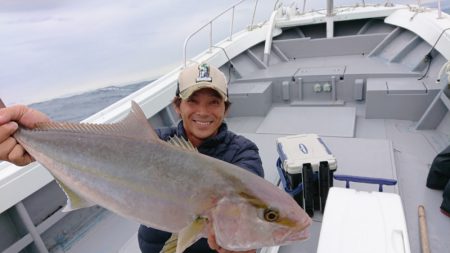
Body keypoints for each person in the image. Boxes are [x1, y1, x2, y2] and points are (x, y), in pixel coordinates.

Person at [0, 63, 264, 253]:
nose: (203, 112)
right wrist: (35, 140)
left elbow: (250, 206)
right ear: (177, 106)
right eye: (193, 101)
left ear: (225, 108)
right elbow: (96, 158)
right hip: (152, 246)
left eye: (214, 102)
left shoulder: (243, 153)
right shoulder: (153, 143)